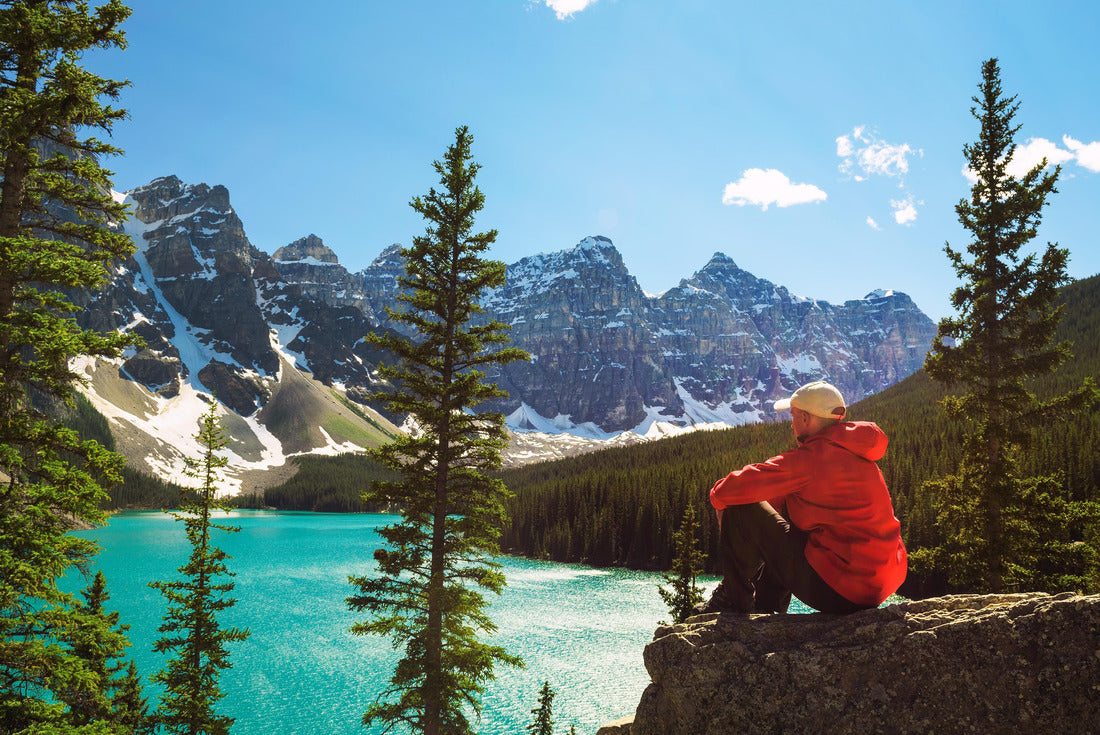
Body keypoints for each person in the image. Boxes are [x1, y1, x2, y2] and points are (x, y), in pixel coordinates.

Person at [695, 380, 907, 615]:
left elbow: (730, 490)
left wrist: (722, 505)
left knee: (739, 507)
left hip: (840, 591)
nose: (791, 424)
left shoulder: (810, 458)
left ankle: (732, 602)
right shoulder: (859, 455)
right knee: (795, 516)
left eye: (794, 416)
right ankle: (768, 606)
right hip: (877, 587)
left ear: (806, 418)